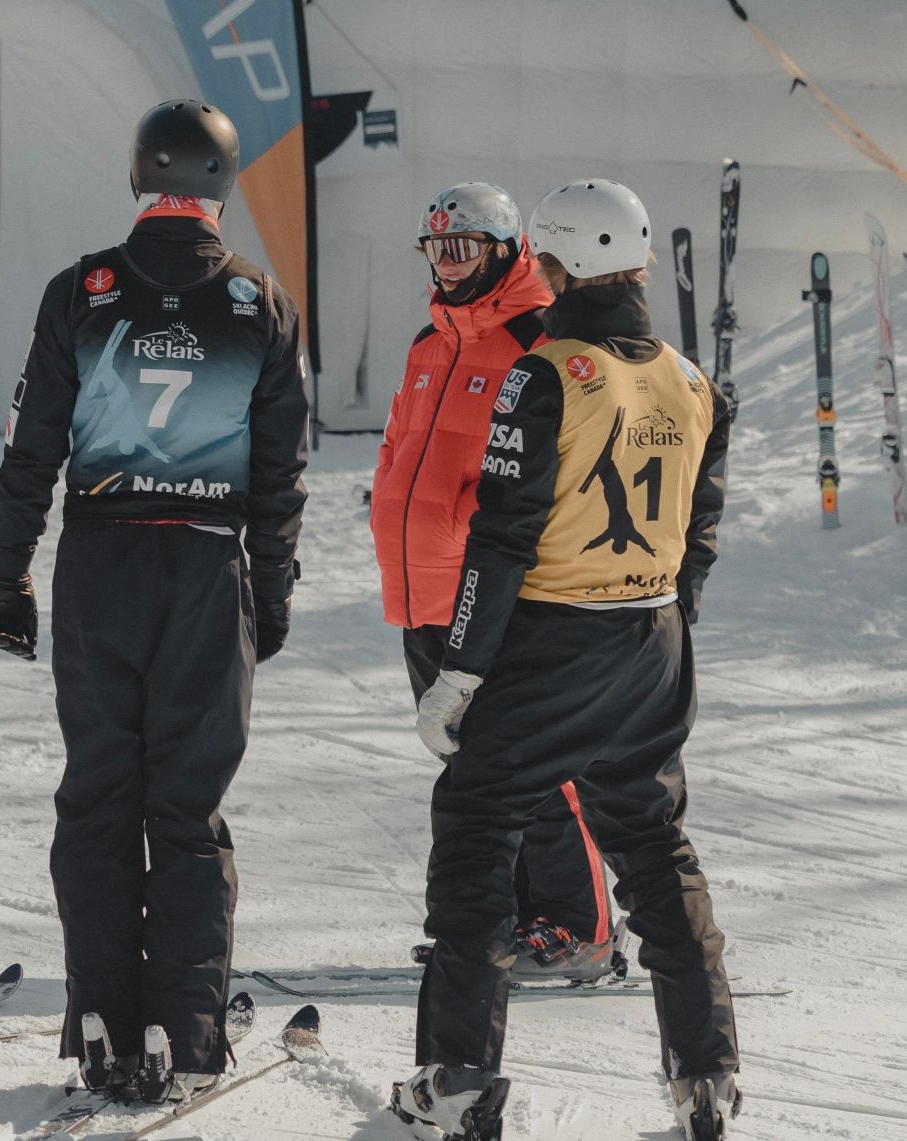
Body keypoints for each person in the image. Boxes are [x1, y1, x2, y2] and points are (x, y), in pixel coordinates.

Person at [392, 179, 738, 1141]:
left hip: (556, 637)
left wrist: (460, 668)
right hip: (654, 639)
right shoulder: (690, 376)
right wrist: (667, 614)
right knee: (656, 849)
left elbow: (502, 539)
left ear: (554, 263)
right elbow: (700, 527)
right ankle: (705, 1079)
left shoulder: (545, 372)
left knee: (475, 827)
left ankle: (457, 1082)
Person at [0, 99, 309, 1103]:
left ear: (139, 176)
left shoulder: (83, 289)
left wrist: (4, 574)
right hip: (207, 565)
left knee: (98, 796)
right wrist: (274, 589)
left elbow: (31, 447)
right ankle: (190, 1032)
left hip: (100, 564)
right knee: (186, 809)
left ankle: (99, 1019)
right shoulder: (258, 301)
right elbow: (280, 470)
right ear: (223, 183)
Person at [371, 182, 616, 982]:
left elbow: (554, 474)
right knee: (470, 771)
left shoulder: (533, 339)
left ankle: (582, 926)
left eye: (463, 249)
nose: (447, 265)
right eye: (436, 249)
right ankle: (507, 918)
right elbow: (398, 451)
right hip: (422, 592)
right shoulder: (427, 343)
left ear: (506, 250)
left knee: (532, 770)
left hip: (498, 593)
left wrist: (466, 523)